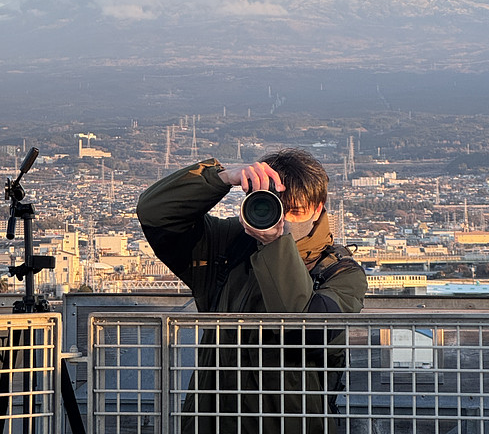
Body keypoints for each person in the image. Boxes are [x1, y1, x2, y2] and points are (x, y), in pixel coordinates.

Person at [136, 148, 367, 433]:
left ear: (318, 208)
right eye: (276, 207)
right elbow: (155, 213)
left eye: (295, 211)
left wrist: (275, 245)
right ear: (253, 201)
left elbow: (303, 329)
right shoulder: (227, 247)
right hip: (212, 422)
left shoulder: (340, 273)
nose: (284, 220)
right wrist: (219, 178)